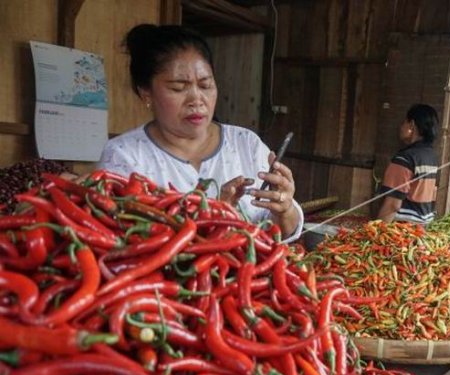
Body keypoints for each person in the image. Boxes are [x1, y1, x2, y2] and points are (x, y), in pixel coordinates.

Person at [98, 24, 303, 240]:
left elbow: (281, 232)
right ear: (146, 93)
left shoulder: (246, 144)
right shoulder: (123, 156)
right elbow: (117, 243)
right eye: (178, 88)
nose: (197, 100)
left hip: (253, 274)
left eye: (205, 85)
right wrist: (214, 219)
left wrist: (285, 209)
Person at [377, 104, 440, 224]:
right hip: (422, 229)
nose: (401, 127)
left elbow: (392, 205)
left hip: (402, 230)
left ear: (411, 125)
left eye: (403, 123)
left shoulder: (405, 159)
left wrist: (376, 233)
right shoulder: (431, 156)